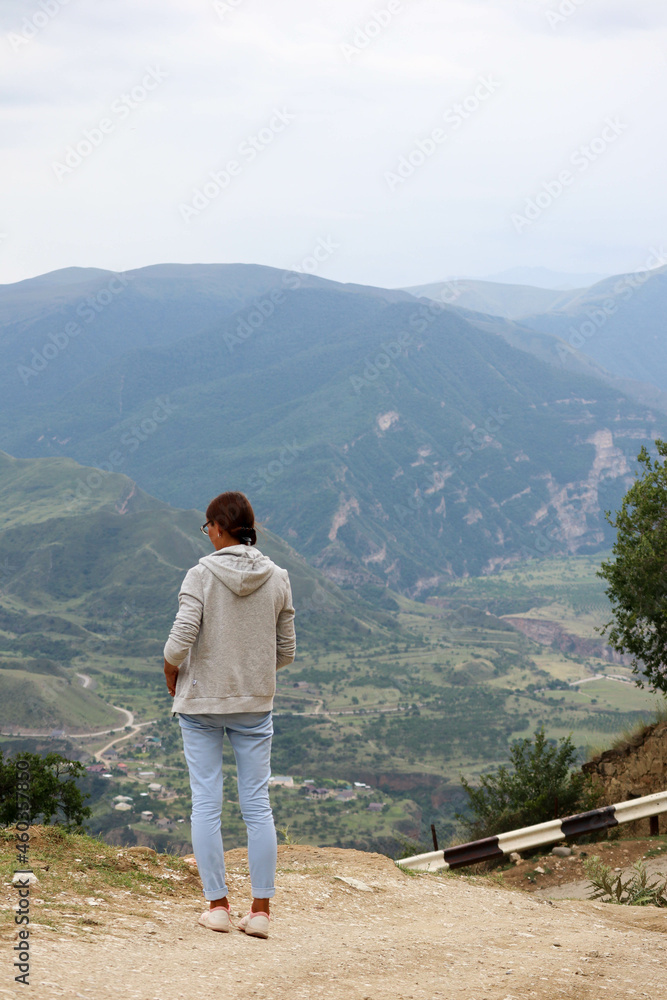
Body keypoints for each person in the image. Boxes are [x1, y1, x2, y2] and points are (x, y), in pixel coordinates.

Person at [163, 491, 295, 938]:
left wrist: (171, 668)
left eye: (207, 527)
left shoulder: (200, 574)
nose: (208, 534)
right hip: (255, 704)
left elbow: (182, 636)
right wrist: (252, 673)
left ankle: (218, 906)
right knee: (258, 805)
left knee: (207, 803)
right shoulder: (278, 577)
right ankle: (260, 912)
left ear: (218, 528)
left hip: (201, 703)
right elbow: (287, 651)